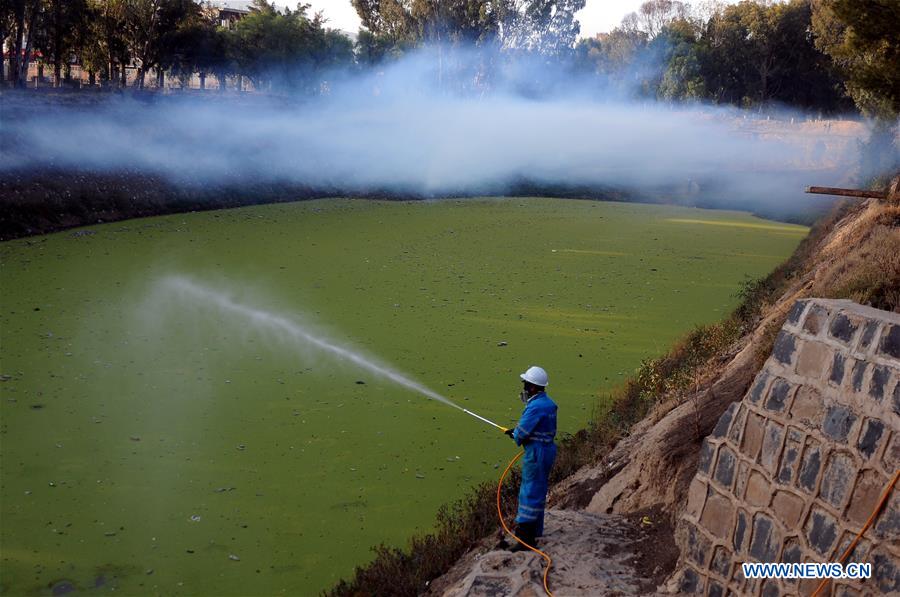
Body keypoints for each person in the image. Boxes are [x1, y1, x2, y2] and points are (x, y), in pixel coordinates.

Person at [503, 365, 557, 551]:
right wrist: (516, 431)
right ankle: (536, 531)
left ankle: (525, 540)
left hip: (536, 454)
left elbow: (522, 433)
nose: (524, 387)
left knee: (529, 492)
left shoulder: (534, 407)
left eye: (526, 384)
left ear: (533, 387)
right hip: (547, 450)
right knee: (539, 490)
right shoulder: (548, 403)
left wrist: (515, 433)